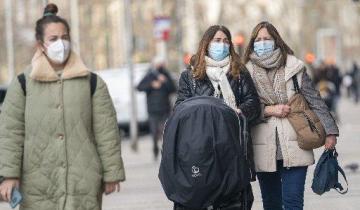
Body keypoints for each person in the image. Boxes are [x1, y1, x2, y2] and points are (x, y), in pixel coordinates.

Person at [0, 4, 125, 210]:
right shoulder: (22, 84)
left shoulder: (92, 82)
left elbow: (107, 132)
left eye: (65, 37)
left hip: (82, 184)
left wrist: (112, 173)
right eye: (54, 39)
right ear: (40, 45)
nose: (61, 43)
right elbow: (10, 134)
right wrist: (9, 176)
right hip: (37, 187)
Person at [243, 21, 339, 210]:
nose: (263, 42)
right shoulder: (246, 72)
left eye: (267, 39)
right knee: (271, 204)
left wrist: (331, 131)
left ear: (276, 41)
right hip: (263, 146)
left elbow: (315, 100)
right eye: (259, 39)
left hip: (296, 143)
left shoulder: (294, 68)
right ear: (253, 43)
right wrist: (268, 110)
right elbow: (243, 108)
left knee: (293, 202)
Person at [175, 25, 261, 210]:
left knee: (234, 200)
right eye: (217, 40)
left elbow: (253, 103)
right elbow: (180, 109)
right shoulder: (189, 76)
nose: (221, 45)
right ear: (206, 44)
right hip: (200, 150)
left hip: (233, 147)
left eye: (225, 41)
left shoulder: (239, 73)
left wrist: (239, 111)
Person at [137, 57, 176, 160]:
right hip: (152, 110)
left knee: (166, 132)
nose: (160, 66)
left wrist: (165, 81)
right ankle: (155, 149)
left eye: (161, 64)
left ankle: (166, 152)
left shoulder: (166, 74)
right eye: (158, 64)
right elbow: (139, 87)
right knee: (154, 132)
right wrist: (151, 85)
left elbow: (173, 89)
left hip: (165, 109)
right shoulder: (149, 75)